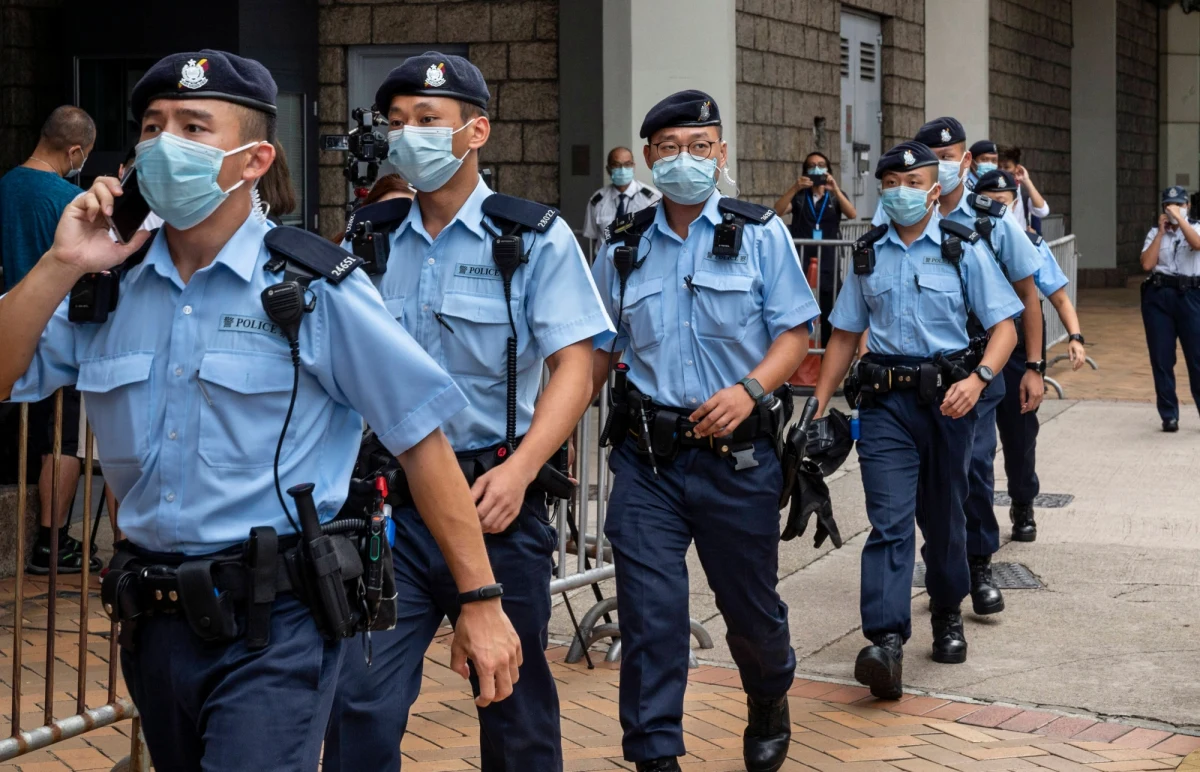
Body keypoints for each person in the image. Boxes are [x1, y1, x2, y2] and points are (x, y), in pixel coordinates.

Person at [0, 50, 521, 771]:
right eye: (152, 127)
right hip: (151, 622)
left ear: (253, 160)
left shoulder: (310, 287)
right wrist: (62, 264)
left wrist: (480, 599)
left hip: (276, 624)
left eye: (193, 126)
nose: (163, 144)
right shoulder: (105, 290)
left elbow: (418, 436)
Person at [323, 52, 612, 772]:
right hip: (386, 509)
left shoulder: (530, 239)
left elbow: (578, 363)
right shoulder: (366, 239)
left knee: (511, 700)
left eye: (428, 120)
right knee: (358, 701)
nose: (408, 135)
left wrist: (522, 470)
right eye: (396, 123)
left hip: (494, 501)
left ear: (476, 130)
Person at [590, 90, 818, 772]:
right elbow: (597, 350)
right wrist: (550, 438)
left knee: (749, 608)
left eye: (698, 146)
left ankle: (769, 691)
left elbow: (795, 333)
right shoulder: (624, 249)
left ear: (720, 154)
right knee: (650, 614)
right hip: (648, 461)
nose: (684, 159)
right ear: (650, 159)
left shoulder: (758, 233)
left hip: (737, 459)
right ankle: (655, 754)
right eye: (668, 148)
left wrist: (751, 390)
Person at [813, 141, 1022, 700]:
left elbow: (1005, 327)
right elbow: (844, 335)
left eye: (912, 185)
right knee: (888, 520)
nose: (900, 194)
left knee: (945, 517)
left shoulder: (962, 248)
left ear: (935, 190)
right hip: (885, 406)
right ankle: (884, 641)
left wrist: (978, 380)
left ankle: (948, 612)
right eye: (891, 185)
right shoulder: (869, 253)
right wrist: (818, 401)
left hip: (949, 404)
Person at [912, 118, 1044, 617]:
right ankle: (943, 564)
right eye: (933, 158)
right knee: (929, 475)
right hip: (920, 370)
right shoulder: (904, 217)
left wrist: (1033, 365)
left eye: (950, 158)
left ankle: (980, 562)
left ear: (966, 162)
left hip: (982, 364)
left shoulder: (992, 218)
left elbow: (1027, 295)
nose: (941, 167)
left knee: (972, 465)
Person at [0, 105, 97, 574]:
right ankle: (52, 541)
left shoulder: (5, 185)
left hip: (12, 326)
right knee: (64, 440)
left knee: (33, 432)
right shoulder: (67, 198)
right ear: (75, 150)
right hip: (60, 333)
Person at [981, 170, 1087, 540]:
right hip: (975, 348)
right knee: (973, 445)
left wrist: (1073, 336)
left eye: (1003, 199)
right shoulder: (964, 240)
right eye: (989, 198)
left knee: (1020, 437)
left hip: (1018, 352)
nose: (997, 205)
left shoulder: (1030, 243)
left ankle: (1023, 503)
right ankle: (974, 523)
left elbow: (1057, 296)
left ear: (1014, 202)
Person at [774, 151, 857, 345]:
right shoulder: (801, 197)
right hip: (802, 256)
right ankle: (796, 348)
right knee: (798, 300)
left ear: (828, 169)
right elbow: (776, 211)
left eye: (821, 165)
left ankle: (826, 350)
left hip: (828, 256)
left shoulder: (835, 196)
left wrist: (835, 189)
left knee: (829, 302)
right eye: (812, 166)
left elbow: (852, 213)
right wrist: (794, 188)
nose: (816, 169)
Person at [1139, 186, 1200, 432]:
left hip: (1191, 295)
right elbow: (1146, 263)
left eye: (1179, 205)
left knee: (1197, 358)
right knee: (1162, 357)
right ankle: (1169, 414)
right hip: (1159, 296)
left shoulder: (1195, 227)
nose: (1174, 209)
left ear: (1187, 206)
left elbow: (1197, 245)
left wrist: (1182, 221)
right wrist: (1161, 233)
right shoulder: (1155, 232)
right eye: (1169, 205)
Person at [583, 146, 661, 247]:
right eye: (616, 165)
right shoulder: (597, 201)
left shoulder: (652, 198)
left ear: (633, 167)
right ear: (608, 169)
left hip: (641, 259)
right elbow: (593, 237)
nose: (623, 169)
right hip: (607, 260)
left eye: (627, 164)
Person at [998, 147, 1050, 233]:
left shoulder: (1022, 192)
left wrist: (1026, 180)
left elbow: (1043, 211)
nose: (1002, 171)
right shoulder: (988, 190)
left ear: (1016, 168)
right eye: (998, 167)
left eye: (1006, 167)